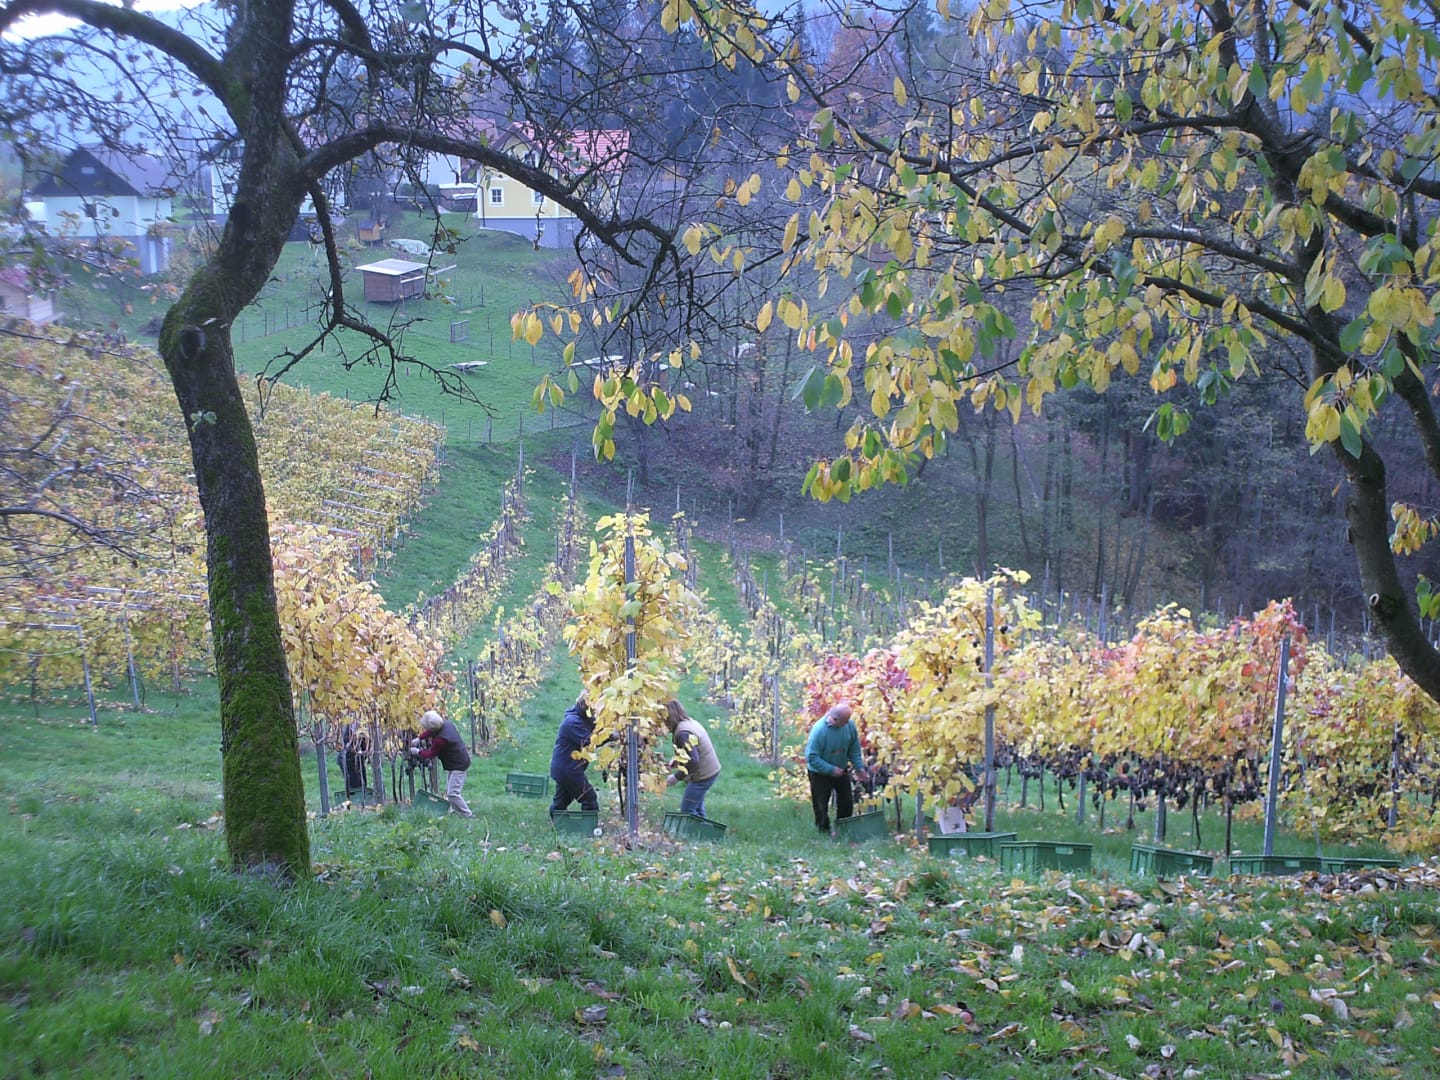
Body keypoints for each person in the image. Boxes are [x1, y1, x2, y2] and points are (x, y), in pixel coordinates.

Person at [804, 701, 867, 834]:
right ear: (835, 719)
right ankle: (823, 831)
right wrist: (830, 770)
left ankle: (843, 829)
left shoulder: (849, 726)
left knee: (846, 801)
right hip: (819, 773)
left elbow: (854, 748)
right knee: (821, 804)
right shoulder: (819, 731)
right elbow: (811, 757)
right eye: (844, 721)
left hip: (841, 769)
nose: (847, 723)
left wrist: (859, 767)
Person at [662, 700, 721, 818]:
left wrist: (675, 778)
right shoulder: (689, 723)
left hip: (703, 775)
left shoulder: (683, 733)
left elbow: (693, 761)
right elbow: (691, 749)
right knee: (697, 807)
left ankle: (697, 829)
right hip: (711, 770)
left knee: (687, 809)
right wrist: (678, 759)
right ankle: (703, 828)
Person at [411, 709, 473, 817]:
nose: (426, 729)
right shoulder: (446, 724)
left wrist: (417, 752)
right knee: (451, 790)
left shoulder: (441, 740)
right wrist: (420, 738)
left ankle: (467, 814)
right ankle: (456, 810)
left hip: (459, 765)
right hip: (457, 761)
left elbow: (431, 754)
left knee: (452, 793)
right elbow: (432, 731)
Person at [550, 694, 599, 816]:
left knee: (561, 802)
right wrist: (611, 736)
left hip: (565, 768)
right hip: (568, 770)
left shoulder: (583, 718)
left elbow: (598, 728)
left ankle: (557, 823)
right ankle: (588, 825)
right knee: (589, 798)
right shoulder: (573, 722)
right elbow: (589, 742)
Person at [336, 720, 368, 801]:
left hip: (352, 754)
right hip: (350, 757)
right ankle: (357, 798)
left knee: (358, 783)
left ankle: (358, 797)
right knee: (356, 783)